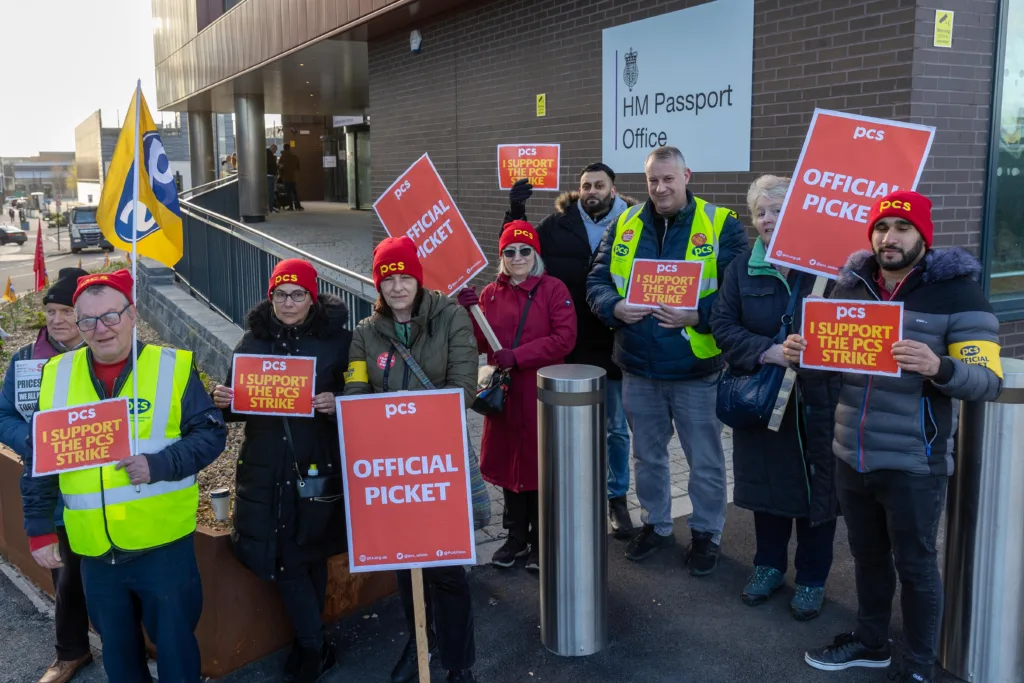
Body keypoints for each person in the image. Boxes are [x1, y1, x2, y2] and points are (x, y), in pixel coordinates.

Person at [783, 191, 1003, 682]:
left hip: (912, 459)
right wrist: (804, 354)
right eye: (882, 228)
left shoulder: (957, 293)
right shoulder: (852, 285)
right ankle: (871, 642)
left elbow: (987, 381)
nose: (890, 237)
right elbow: (827, 371)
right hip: (851, 452)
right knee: (866, 557)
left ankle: (920, 668)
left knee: (917, 566)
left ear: (923, 236)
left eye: (902, 228)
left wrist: (939, 366)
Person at [23, 269, 227, 683]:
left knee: (176, 651)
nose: (100, 330)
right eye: (88, 321)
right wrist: (38, 528)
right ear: (78, 326)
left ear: (133, 316)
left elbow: (211, 434)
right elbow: (40, 460)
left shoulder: (171, 368)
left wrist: (159, 465)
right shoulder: (56, 376)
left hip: (162, 545)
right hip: (95, 552)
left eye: (111, 317)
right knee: (119, 657)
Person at [587, 145, 747, 573]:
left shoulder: (720, 224)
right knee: (648, 457)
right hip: (639, 367)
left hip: (696, 367)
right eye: (653, 180)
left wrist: (698, 315)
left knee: (706, 460)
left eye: (668, 178)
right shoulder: (623, 222)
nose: (660, 188)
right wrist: (614, 307)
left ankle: (707, 533)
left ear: (687, 176)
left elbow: (738, 293)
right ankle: (656, 525)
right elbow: (598, 279)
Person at [344, 236, 477, 683]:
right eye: (388, 278)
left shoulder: (452, 317)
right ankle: (422, 640)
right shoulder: (365, 333)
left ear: (418, 278)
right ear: (377, 283)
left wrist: (411, 418)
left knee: (447, 568)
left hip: (438, 460)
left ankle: (459, 661)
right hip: (393, 467)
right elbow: (357, 392)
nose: (397, 286)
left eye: (405, 277)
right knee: (405, 564)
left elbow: (463, 388)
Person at [211, 259, 350, 683]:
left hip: (317, 463)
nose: (289, 302)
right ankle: (314, 646)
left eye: (298, 294)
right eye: (280, 294)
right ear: (270, 297)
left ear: (313, 296)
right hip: (266, 467)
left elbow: (362, 395)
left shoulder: (338, 342)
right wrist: (223, 399)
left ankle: (315, 643)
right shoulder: (252, 341)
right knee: (288, 561)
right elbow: (240, 407)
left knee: (309, 554)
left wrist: (336, 404)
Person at [709, 176, 840, 620]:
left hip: (818, 402)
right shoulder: (742, 268)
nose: (768, 218)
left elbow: (850, 330)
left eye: (778, 209)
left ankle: (811, 578)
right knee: (766, 487)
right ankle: (767, 567)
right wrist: (768, 352)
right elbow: (723, 327)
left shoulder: (829, 270)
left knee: (816, 492)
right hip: (764, 399)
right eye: (760, 212)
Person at [502, 165, 636, 538]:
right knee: (563, 428)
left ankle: (616, 498)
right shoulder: (556, 224)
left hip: (614, 342)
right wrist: (515, 212)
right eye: (585, 185)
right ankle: (569, 493)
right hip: (567, 344)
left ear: (613, 188)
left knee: (615, 429)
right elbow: (518, 250)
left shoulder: (636, 224)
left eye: (599, 185)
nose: (591, 191)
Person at [459, 221, 577, 570]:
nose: (518, 256)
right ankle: (515, 537)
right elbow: (478, 343)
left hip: (541, 392)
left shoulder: (553, 289)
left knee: (541, 466)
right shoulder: (490, 294)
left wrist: (520, 355)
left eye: (525, 250)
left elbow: (564, 338)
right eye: (510, 251)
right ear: (502, 256)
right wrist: (467, 311)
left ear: (535, 253)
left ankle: (542, 540)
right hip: (506, 397)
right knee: (511, 466)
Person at [0, 268, 93, 683]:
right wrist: (31, 440)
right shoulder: (25, 360)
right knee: (66, 576)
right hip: (50, 492)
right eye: (51, 311)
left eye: (67, 311)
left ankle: (125, 649)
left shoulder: (110, 354)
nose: (56, 319)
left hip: (104, 488)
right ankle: (71, 653)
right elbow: (3, 416)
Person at [279, 143, 303, 211]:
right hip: (293, 177)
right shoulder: (295, 156)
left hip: (286, 177)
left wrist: (281, 176)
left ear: (284, 148)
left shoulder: (283, 157)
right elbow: (298, 167)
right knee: (295, 192)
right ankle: (298, 206)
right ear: (290, 148)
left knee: (288, 193)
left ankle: (291, 206)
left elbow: (280, 167)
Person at [266, 144, 279, 213]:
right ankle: (270, 207)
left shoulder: (267, 153)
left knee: (270, 192)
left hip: (268, 175)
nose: (275, 151)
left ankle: (270, 207)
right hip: (270, 175)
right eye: (275, 150)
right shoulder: (269, 155)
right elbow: (272, 164)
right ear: (273, 148)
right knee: (270, 192)